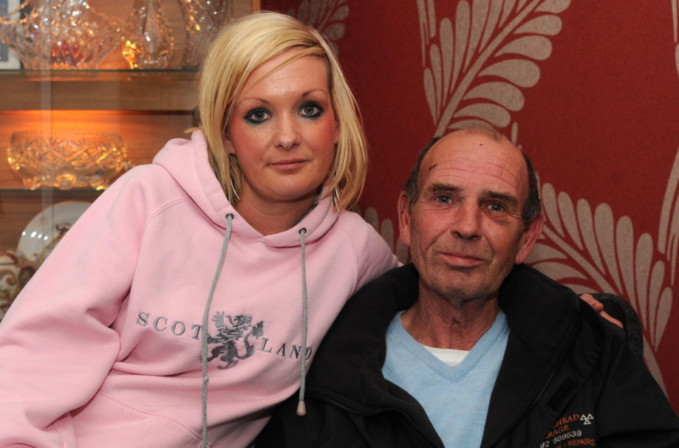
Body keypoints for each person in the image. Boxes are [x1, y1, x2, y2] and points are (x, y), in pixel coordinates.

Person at [0, 12, 398, 448]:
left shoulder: (356, 252)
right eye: (258, 114)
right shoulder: (149, 199)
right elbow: (39, 351)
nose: (287, 136)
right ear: (224, 135)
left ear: (336, 124)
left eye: (309, 109)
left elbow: (427, 316)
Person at [255, 128, 679, 447]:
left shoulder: (588, 349)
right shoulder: (324, 365)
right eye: (444, 198)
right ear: (407, 218)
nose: (468, 227)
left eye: (496, 206)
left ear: (527, 236)